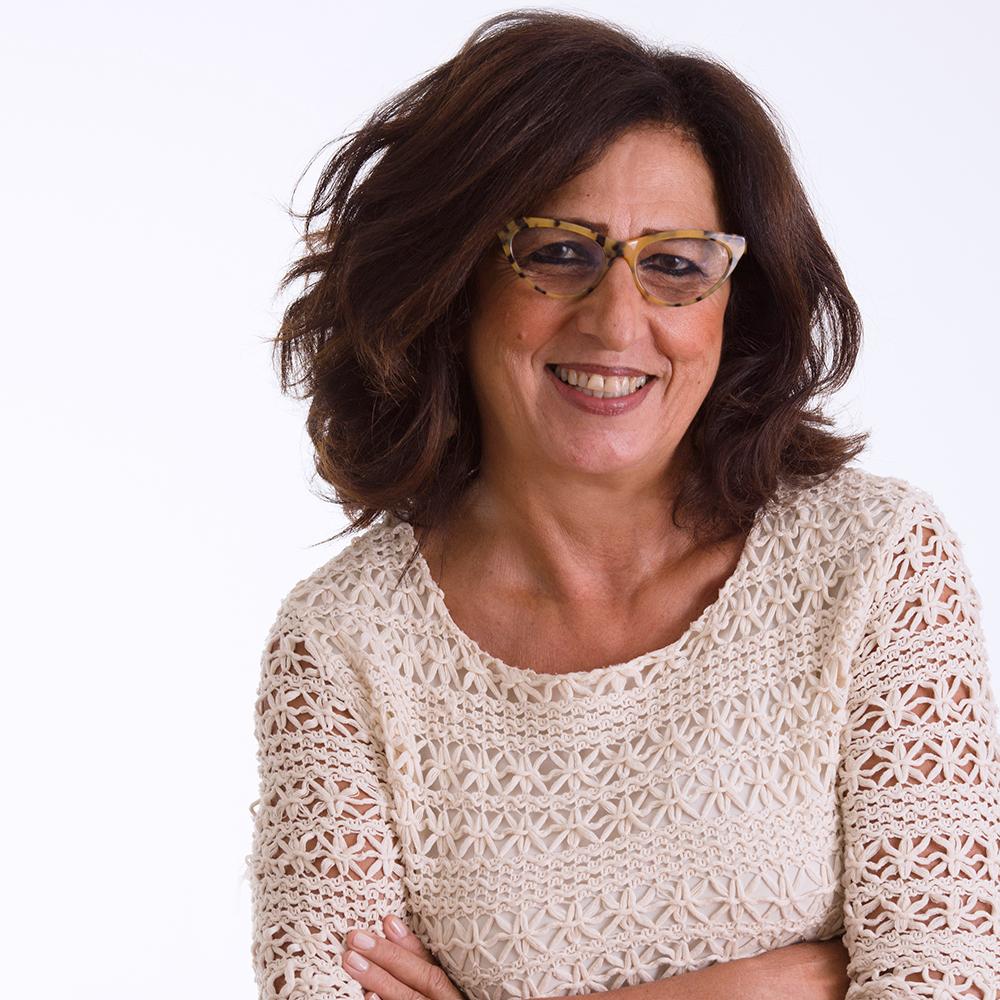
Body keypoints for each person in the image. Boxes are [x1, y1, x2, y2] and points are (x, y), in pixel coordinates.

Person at [247, 9, 1000, 1000]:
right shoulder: (344, 646)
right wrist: (770, 986)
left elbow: (948, 979)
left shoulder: (870, 562)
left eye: (677, 263)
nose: (616, 320)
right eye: (559, 252)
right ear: (456, 280)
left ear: (733, 305)